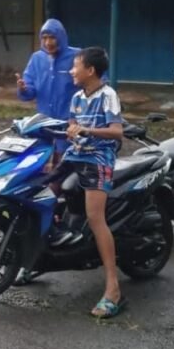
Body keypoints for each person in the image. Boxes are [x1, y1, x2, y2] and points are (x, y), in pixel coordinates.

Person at [55, 46, 126, 318]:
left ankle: (113, 288)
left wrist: (87, 130)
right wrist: (71, 132)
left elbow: (117, 132)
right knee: (44, 189)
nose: (71, 70)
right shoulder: (76, 97)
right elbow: (72, 127)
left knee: (95, 218)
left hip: (99, 158)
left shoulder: (108, 96)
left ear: (91, 70)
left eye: (76, 66)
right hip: (76, 155)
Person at [16, 19, 82, 133]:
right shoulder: (37, 58)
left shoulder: (77, 56)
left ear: (61, 38)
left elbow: (94, 83)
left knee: (65, 150)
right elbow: (29, 92)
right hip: (44, 121)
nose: (48, 42)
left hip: (70, 122)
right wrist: (23, 89)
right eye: (44, 38)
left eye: (52, 37)